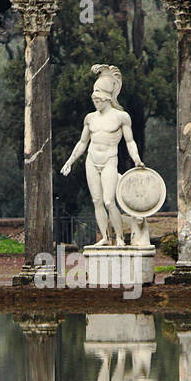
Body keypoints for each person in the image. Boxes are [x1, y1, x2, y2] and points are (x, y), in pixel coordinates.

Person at [60, 64, 144, 246]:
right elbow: (82, 143)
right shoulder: (90, 118)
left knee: (108, 200)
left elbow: (130, 142)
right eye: (94, 98)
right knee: (97, 201)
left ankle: (120, 238)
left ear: (107, 98)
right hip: (91, 160)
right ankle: (106, 238)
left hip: (109, 161)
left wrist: (137, 159)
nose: (95, 101)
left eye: (98, 99)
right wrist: (70, 161)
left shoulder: (121, 117)